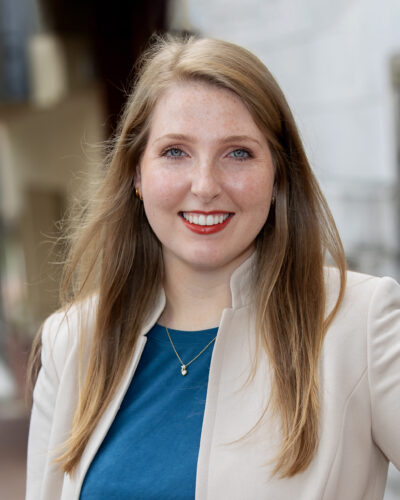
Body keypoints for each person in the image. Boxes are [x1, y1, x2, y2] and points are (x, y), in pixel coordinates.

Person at [26, 35, 400, 500]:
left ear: (278, 174)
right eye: (175, 152)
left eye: (238, 153)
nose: (205, 186)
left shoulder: (358, 324)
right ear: (137, 174)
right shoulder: (71, 342)